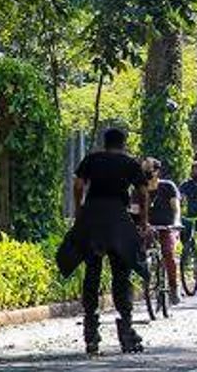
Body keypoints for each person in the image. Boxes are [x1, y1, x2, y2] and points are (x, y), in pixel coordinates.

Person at [59, 127, 148, 355]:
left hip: (93, 217)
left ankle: (91, 331)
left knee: (92, 271)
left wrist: (80, 212)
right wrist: (143, 223)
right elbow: (143, 192)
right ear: (123, 143)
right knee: (122, 272)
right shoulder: (129, 163)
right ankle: (126, 330)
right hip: (117, 217)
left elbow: (78, 186)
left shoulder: (91, 159)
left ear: (104, 142)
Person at [144, 157, 181, 305]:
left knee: (168, 253)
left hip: (166, 227)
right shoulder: (139, 188)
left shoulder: (168, 187)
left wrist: (176, 221)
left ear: (157, 171)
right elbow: (134, 209)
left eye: (149, 170)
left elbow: (176, 207)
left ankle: (173, 286)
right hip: (147, 228)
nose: (146, 173)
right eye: (144, 170)